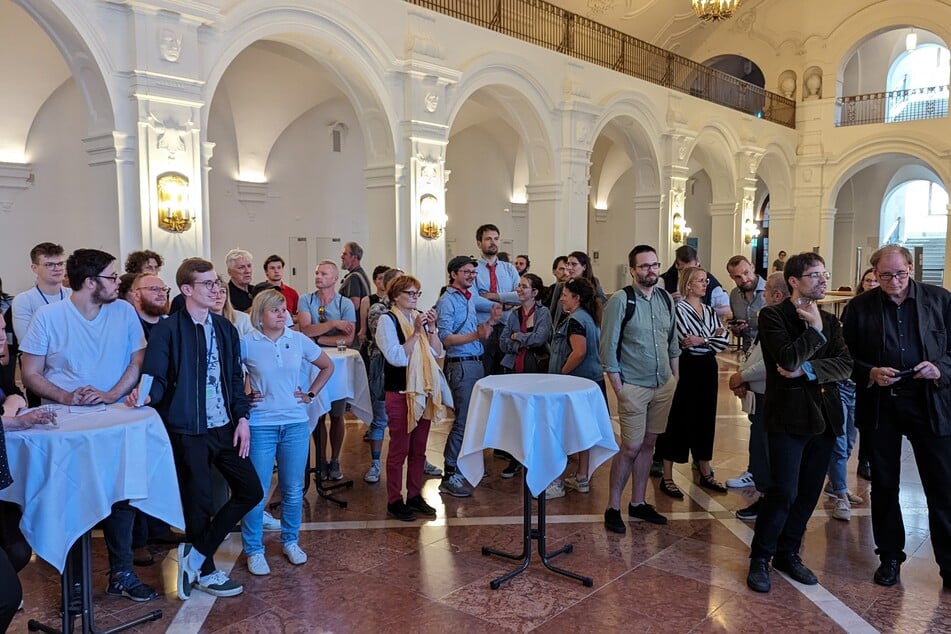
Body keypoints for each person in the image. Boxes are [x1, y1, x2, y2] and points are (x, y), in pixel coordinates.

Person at [20, 248, 156, 601]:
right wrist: (67, 397)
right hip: (66, 424)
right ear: (90, 282)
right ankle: (74, 583)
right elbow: (31, 373)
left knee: (122, 494)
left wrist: (111, 393)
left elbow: (136, 360)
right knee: (72, 499)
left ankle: (122, 573)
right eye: (111, 277)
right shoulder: (49, 317)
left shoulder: (124, 312)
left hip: (114, 417)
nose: (117, 283)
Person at [131, 258, 263, 600]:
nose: (216, 288)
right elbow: (156, 377)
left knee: (251, 490)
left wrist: (243, 417)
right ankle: (205, 572)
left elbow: (235, 379)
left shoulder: (224, 328)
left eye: (216, 282)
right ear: (187, 289)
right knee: (198, 503)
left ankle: (196, 552)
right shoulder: (168, 329)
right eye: (207, 284)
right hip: (188, 430)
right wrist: (145, 397)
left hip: (224, 427)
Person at [843, 245, 951, 589]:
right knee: (885, 486)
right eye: (885, 275)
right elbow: (845, 357)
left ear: (910, 268)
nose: (894, 281)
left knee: (942, 486)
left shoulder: (939, 300)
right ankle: (890, 557)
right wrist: (870, 372)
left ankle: (949, 565)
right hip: (882, 406)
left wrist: (940, 368)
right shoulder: (859, 307)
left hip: (929, 403)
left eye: (900, 273)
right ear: (874, 274)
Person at [747, 252, 852, 594]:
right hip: (789, 418)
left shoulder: (832, 321)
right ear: (794, 281)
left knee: (807, 494)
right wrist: (815, 333)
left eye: (825, 273)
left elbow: (845, 366)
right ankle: (760, 557)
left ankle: (787, 553)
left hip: (824, 418)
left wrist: (806, 371)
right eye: (815, 275)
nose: (824, 281)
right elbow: (787, 358)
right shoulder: (773, 316)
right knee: (783, 492)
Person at [240, 290, 333, 575]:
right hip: (261, 424)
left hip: (294, 422)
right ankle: (254, 549)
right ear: (260, 315)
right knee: (256, 492)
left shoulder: (298, 340)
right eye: (274, 310)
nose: (282, 314)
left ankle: (291, 541)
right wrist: (245, 394)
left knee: (293, 489)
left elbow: (327, 365)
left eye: (283, 309)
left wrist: (310, 393)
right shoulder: (247, 343)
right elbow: (231, 374)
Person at [600, 245, 679, 533]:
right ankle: (612, 506)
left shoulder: (664, 300)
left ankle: (638, 502)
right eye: (644, 266)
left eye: (655, 265)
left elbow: (672, 341)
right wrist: (619, 388)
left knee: (649, 444)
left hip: (662, 385)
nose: (651, 271)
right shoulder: (621, 300)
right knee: (631, 446)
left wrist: (675, 378)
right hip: (633, 386)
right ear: (632, 270)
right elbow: (607, 347)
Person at [375, 275, 449, 521]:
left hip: (422, 391)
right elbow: (396, 357)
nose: (415, 298)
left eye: (417, 293)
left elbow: (438, 352)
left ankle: (415, 495)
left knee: (419, 449)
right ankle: (395, 500)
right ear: (395, 296)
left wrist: (431, 329)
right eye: (410, 293)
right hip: (400, 391)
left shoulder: (416, 318)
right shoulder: (387, 320)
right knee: (399, 449)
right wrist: (416, 333)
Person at [656, 267, 729, 500]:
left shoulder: (709, 309)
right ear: (688, 284)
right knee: (677, 419)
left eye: (705, 280)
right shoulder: (678, 309)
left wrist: (704, 339)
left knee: (705, 418)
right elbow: (685, 340)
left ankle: (705, 470)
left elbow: (723, 340)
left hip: (708, 367)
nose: (704, 284)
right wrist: (709, 338)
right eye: (700, 281)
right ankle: (667, 476)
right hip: (686, 368)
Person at [435, 255, 501, 497]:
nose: (471, 276)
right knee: (463, 421)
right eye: (466, 272)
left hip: (474, 362)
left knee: (472, 418)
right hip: (461, 364)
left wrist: (492, 320)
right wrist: (476, 335)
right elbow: (446, 338)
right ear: (453, 274)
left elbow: (480, 328)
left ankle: (464, 466)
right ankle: (449, 473)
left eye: (473, 272)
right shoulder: (447, 301)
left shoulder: (469, 297)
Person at [726, 272, 789, 520]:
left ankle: (769, 503)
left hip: (772, 394)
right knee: (759, 447)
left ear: (776, 295)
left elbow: (773, 361)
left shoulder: (782, 320)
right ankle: (763, 494)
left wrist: (742, 377)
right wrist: (744, 376)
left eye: (767, 291)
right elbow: (756, 351)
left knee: (769, 450)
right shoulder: (770, 317)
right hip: (759, 391)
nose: (762, 295)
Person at [546, 276, 604, 499]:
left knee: (563, 432)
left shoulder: (576, 320)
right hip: (589, 381)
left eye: (565, 295)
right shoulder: (588, 317)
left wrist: (561, 375)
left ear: (576, 298)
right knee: (582, 432)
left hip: (574, 383)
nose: (561, 298)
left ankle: (557, 482)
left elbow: (578, 352)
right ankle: (582, 478)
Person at [299, 261, 356, 481]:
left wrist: (318, 338)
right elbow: (305, 330)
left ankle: (335, 460)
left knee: (337, 413)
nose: (318, 276)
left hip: (339, 366)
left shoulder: (346, 304)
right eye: (316, 272)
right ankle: (320, 459)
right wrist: (333, 323)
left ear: (334, 278)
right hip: (313, 365)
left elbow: (348, 338)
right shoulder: (307, 300)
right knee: (318, 413)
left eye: (324, 273)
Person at [498, 273, 552, 478]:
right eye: (518, 286)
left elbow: (539, 339)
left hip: (535, 368)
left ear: (535, 292)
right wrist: (521, 340)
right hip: (513, 367)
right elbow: (503, 343)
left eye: (524, 287)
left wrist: (517, 337)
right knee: (516, 414)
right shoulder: (513, 314)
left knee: (536, 414)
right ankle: (516, 458)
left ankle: (536, 456)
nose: (519, 290)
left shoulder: (543, 312)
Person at [11, 243, 72, 407]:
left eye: (60, 264)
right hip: (41, 376)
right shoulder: (24, 300)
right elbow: (28, 342)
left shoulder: (73, 295)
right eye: (49, 265)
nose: (57, 268)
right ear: (34, 268)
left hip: (73, 372)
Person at [473, 224, 519, 377]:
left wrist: (495, 297)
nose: (493, 242)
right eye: (488, 239)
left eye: (496, 239)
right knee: (484, 373)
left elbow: (520, 295)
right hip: (484, 326)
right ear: (479, 243)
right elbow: (473, 299)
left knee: (505, 374)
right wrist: (503, 305)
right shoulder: (472, 270)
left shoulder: (509, 269)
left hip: (507, 327)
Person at [850, 267, 878, 482]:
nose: (871, 284)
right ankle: (864, 460)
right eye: (867, 280)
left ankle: (869, 457)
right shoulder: (856, 307)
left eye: (874, 280)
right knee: (863, 421)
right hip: (863, 372)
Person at [659, 245, 731, 315]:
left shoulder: (710, 281)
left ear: (697, 263)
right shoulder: (663, 281)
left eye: (693, 270)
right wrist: (667, 302)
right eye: (685, 271)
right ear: (677, 265)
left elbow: (726, 309)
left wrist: (703, 311)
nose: (689, 275)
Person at [550, 251, 607, 329]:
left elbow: (603, 304)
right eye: (568, 264)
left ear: (584, 267)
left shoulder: (594, 283)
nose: (569, 268)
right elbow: (552, 312)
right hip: (562, 329)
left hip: (585, 327)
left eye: (574, 264)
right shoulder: (561, 286)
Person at [726, 254, 767, 352]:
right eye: (738, 277)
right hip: (747, 352)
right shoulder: (734, 295)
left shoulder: (770, 290)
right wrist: (736, 330)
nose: (744, 279)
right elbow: (738, 325)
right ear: (732, 277)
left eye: (746, 273)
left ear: (752, 267)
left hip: (768, 353)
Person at [252, 255, 300, 323]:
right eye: (272, 268)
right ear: (266, 272)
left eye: (279, 268)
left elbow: (295, 315)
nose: (276, 271)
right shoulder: (259, 291)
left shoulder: (292, 293)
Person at [340, 241, 371, 330]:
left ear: (354, 257)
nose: (342, 257)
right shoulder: (361, 274)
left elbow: (354, 304)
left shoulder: (353, 277)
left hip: (354, 328)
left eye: (345, 254)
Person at [225, 248, 254, 312]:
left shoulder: (257, 290)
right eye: (241, 267)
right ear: (229, 272)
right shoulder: (225, 295)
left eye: (249, 266)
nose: (247, 271)